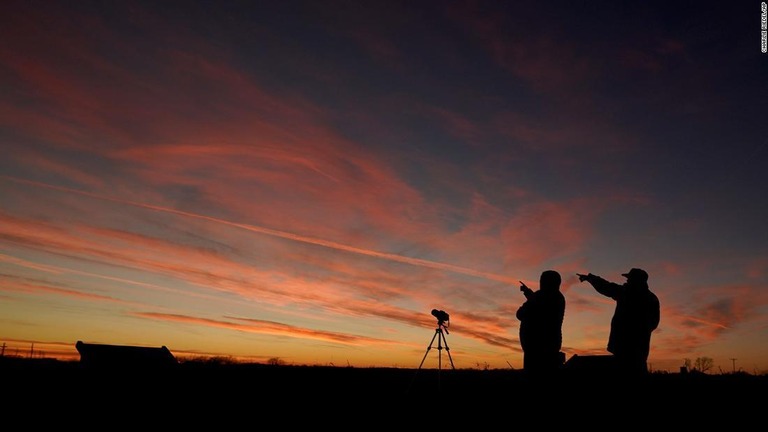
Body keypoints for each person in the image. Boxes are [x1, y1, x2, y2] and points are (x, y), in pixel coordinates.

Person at [577, 268, 660, 376]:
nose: (627, 281)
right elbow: (654, 322)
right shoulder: (651, 298)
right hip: (639, 347)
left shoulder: (626, 293)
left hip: (625, 345)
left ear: (636, 280)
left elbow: (607, 287)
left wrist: (591, 278)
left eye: (629, 279)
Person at [516, 270, 566, 375]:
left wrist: (530, 296)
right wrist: (528, 293)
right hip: (551, 343)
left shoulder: (541, 296)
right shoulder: (558, 297)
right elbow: (540, 304)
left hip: (535, 346)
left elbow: (520, 314)